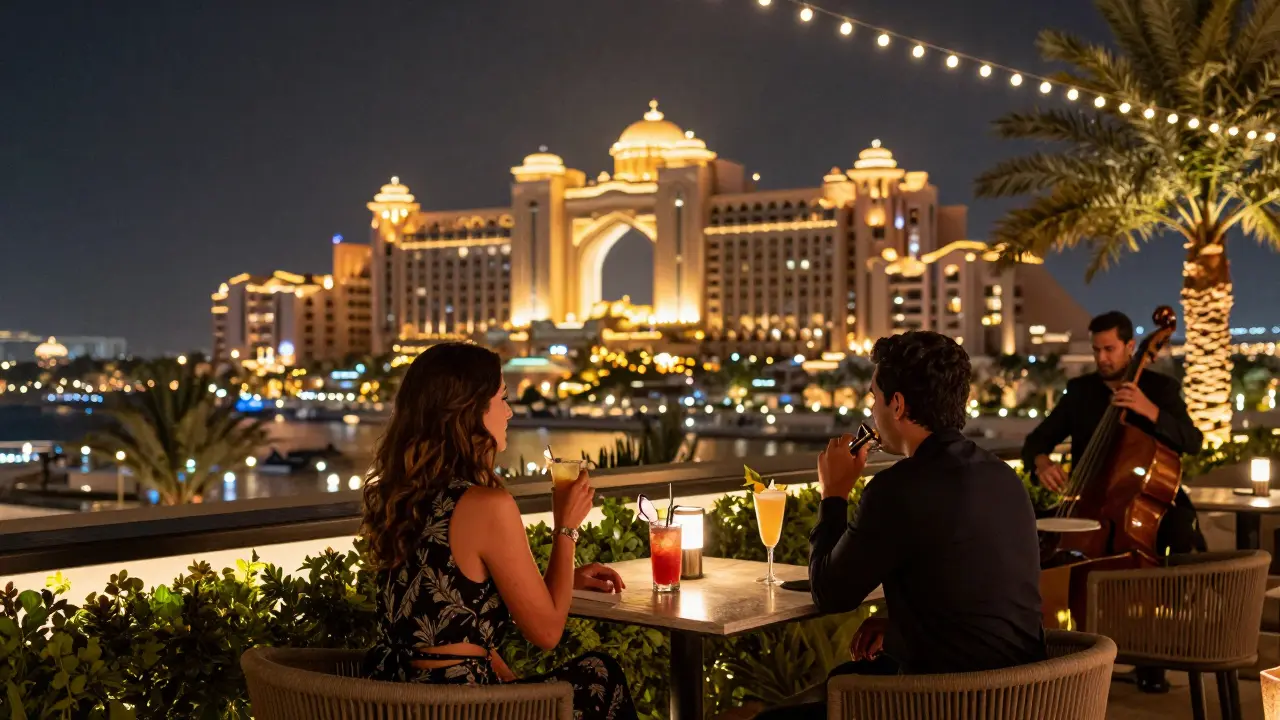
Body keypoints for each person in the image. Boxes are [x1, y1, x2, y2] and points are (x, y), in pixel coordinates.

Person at [756, 331, 1046, 719]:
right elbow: (976, 597)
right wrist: (901, 628)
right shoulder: (1002, 478)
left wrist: (834, 494)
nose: (872, 411)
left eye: (874, 398)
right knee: (843, 680)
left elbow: (830, 593)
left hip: (943, 702)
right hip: (1023, 698)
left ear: (897, 404)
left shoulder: (897, 489)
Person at [360, 342, 638, 720]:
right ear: (470, 410)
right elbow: (546, 634)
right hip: (462, 708)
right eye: (502, 398)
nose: (509, 411)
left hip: (394, 703)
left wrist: (561, 581)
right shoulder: (487, 505)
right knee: (601, 675)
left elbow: (447, 604)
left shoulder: (396, 498)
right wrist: (567, 528)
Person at [1021, 310, 1205, 692]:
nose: (1102, 357)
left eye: (1110, 348)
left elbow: (1192, 441)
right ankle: (1054, 654)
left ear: (1131, 347)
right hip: (1090, 504)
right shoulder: (1081, 391)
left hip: (1154, 500)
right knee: (1031, 533)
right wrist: (1041, 463)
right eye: (1096, 350)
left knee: (1175, 535)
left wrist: (1148, 410)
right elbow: (1036, 441)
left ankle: (1153, 657)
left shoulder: (1160, 390)